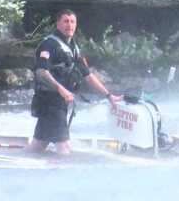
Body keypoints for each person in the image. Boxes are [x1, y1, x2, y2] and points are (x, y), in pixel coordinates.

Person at [30, 9, 121, 155]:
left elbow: (87, 75)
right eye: (66, 21)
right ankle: (65, 176)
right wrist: (61, 89)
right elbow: (41, 72)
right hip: (49, 101)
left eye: (73, 22)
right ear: (58, 23)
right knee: (64, 149)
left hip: (60, 103)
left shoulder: (73, 47)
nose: (69, 25)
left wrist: (109, 96)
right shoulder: (49, 45)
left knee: (38, 146)